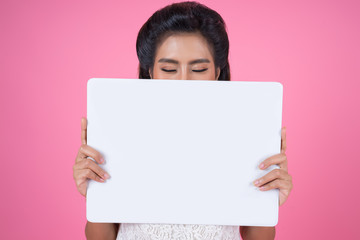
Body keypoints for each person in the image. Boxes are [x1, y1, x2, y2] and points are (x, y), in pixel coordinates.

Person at [73, 1, 293, 240]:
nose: (183, 82)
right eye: (169, 70)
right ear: (150, 72)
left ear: (217, 72)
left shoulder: (245, 132)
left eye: (198, 70)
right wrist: (94, 196)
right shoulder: (119, 129)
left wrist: (267, 202)